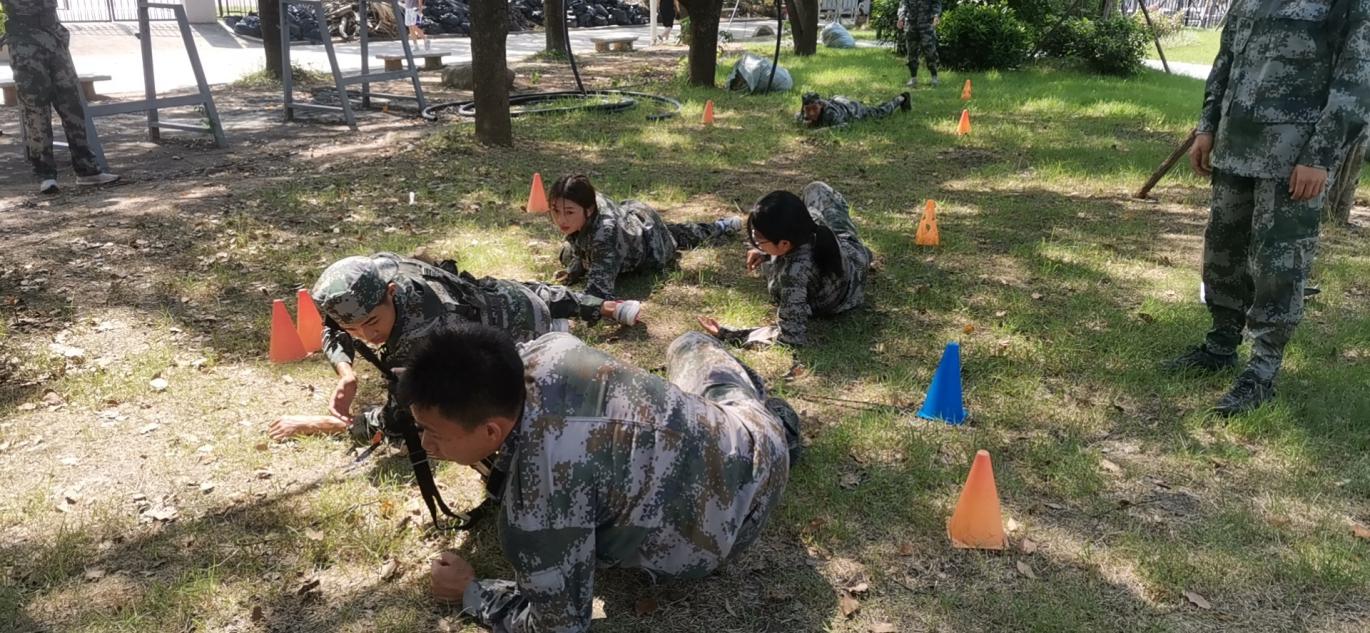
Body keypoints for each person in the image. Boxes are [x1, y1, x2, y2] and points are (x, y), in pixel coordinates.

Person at [401, 325, 800, 632]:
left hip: (736, 519)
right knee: (690, 344)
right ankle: (779, 426)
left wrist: (470, 591)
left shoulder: (538, 504)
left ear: (491, 431)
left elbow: (559, 626)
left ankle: (786, 426)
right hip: (737, 436)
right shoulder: (550, 348)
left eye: (432, 433)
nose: (424, 444)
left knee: (697, 350)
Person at [1168, 0, 1370, 415]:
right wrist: (1208, 126)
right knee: (1222, 251)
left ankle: (1262, 371)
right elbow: (1226, 58)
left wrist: (1321, 155)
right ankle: (1221, 345)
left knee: (1279, 263)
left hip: (1293, 160)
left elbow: (1356, 78)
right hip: (1235, 148)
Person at [267, 252, 641, 443]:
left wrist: (327, 425)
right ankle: (602, 308)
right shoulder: (375, 272)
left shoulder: (422, 339)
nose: (366, 335)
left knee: (538, 314)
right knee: (536, 293)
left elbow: (400, 423)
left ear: (392, 294)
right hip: (492, 295)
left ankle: (587, 316)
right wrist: (346, 372)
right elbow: (334, 326)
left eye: (373, 323)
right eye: (355, 328)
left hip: (515, 327)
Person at [698, 182, 873, 347]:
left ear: (784, 244)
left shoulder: (793, 274)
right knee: (817, 189)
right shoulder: (809, 223)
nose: (755, 243)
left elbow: (791, 336)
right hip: (854, 255)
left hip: (842, 298)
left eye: (759, 240)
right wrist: (766, 252)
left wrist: (726, 334)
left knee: (775, 287)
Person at [549, 174, 742, 300]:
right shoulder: (584, 202)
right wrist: (574, 270)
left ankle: (720, 227)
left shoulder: (604, 236)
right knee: (567, 254)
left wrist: (554, 300)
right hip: (628, 218)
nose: (561, 219)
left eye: (569, 212)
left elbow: (596, 295)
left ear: (589, 209)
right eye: (555, 211)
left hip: (648, 241)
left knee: (676, 237)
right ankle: (721, 225)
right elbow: (580, 245)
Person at [1, 0, 121, 194]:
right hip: (24, 41)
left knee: (72, 104)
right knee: (36, 109)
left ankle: (87, 170)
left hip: (53, 35)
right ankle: (46, 175)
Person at [798, 91, 911, 128]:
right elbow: (798, 117)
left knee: (880, 112)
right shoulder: (804, 113)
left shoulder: (830, 114)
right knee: (873, 108)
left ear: (821, 105)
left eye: (814, 109)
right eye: (808, 109)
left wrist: (825, 130)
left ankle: (902, 98)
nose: (811, 113)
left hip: (853, 109)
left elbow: (845, 125)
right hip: (839, 100)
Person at [896, 0, 941, 87]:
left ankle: (934, 77)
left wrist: (936, 15)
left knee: (930, 52)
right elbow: (903, 4)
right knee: (911, 52)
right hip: (911, 25)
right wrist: (901, 17)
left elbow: (936, 3)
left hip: (926, 25)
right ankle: (913, 78)